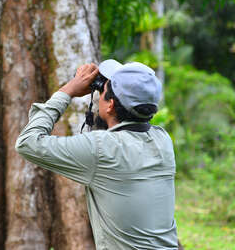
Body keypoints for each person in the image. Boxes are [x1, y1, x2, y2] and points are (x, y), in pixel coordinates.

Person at [15, 59, 178, 250]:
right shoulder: (162, 140)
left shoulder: (101, 149)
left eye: (104, 91)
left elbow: (27, 142)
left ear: (110, 106)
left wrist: (67, 91)